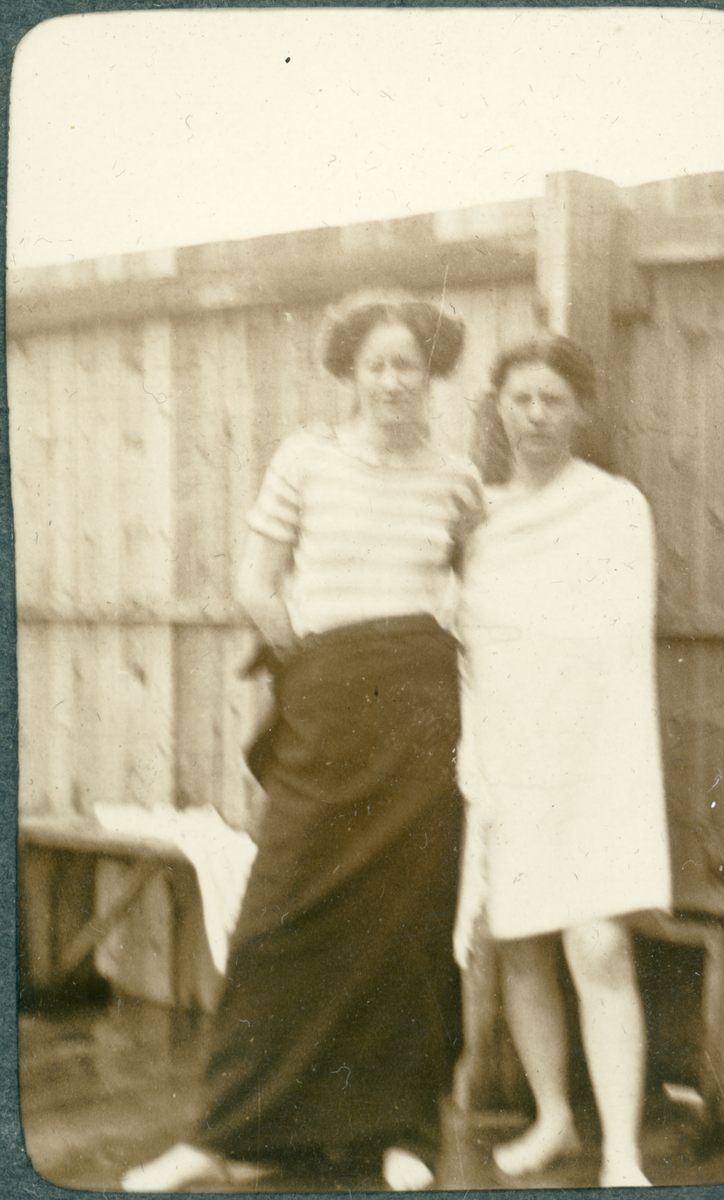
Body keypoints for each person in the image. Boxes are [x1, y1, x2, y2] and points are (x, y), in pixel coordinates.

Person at [122, 291, 482, 1193]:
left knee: (406, 924)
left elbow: (476, 593)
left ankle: (401, 1133)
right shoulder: (305, 459)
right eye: (376, 365)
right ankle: (221, 1135)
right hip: (325, 697)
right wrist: (313, 661)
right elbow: (256, 584)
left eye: (408, 365)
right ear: (351, 374)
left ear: (430, 375)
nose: (392, 381)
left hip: (421, 713)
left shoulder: (457, 477)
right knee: (278, 915)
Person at [454, 335, 671, 1188]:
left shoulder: (615, 507)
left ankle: (620, 1151)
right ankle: (554, 1119)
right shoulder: (477, 514)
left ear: (580, 410)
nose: (536, 415)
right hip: (505, 758)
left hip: (596, 759)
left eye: (553, 399)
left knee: (597, 944)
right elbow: (460, 628)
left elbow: (613, 640)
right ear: (498, 408)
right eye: (521, 399)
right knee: (520, 942)